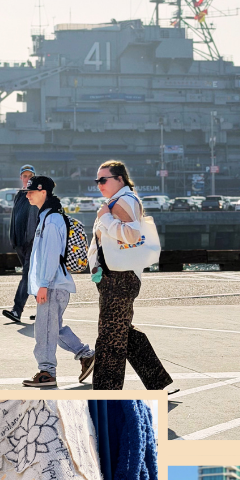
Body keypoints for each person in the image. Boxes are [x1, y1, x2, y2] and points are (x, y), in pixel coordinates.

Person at [87, 160, 176, 393]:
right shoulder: (120, 200)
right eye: (97, 180)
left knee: (110, 339)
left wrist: (105, 218)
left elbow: (133, 235)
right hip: (116, 276)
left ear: (120, 179)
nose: (99, 184)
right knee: (122, 331)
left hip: (119, 278)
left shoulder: (123, 201)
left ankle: (106, 393)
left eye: (103, 179)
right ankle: (157, 381)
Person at [17, 175, 96, 387]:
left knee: (44, 331)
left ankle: (47, 372)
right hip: (53, 285)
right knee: (54, 328)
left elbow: (51, 255)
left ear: (44, 192)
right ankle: (85, 355)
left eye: (31, 191)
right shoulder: (47, 216)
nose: (28, 195)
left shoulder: (51, 220)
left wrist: (42, 285)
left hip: (52, 285)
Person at [4, 164, 40, 323]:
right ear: (21, 178)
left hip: (32, 242)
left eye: (30, 176)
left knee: (27, 275)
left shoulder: (38, 194)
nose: (27, 179)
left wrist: (35, 239)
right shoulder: (19, 195)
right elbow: (15, 217)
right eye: (25, 176)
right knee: (32, 277)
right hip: (19, 243)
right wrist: (13, 239)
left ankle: (16, 311)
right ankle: (44, 310)